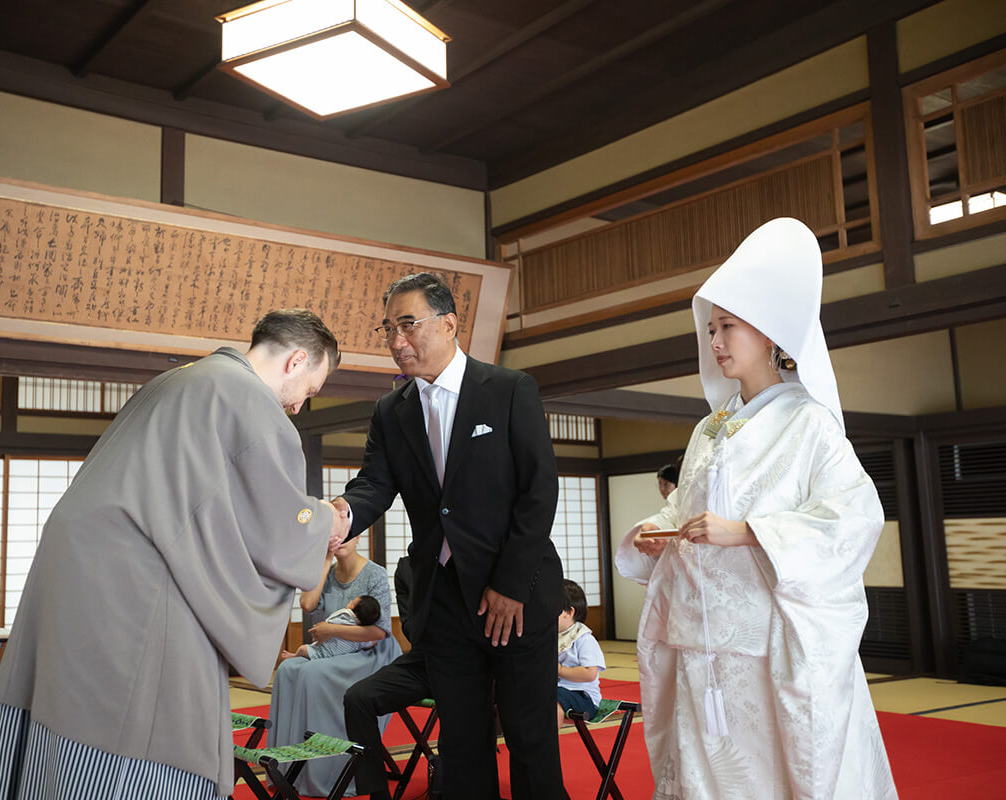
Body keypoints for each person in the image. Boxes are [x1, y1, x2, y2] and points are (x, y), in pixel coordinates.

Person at [0, 309, 349, 800]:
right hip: (137, 585)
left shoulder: (175, 381)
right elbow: (275, 526)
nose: (299, 407)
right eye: (310, 390)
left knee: (61, 712)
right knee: (141, 721)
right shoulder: (249, 401)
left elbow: (203, 506)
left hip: (79, 568)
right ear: (297, 360)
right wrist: (326, 520)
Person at [615, 218, 898, 799]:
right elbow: (685, 513)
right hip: (698, 635)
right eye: (711, 328)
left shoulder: (809, 422)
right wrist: (654, 530)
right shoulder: (709, 429)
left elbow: (855, 517)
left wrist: (749, 532)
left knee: (767, 771)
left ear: (769, 334)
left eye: (728, 327)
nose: (714, 341)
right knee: (702, 770)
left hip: (764, 641)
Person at [334, 272, 566, 800]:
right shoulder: (390, 412)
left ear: (449, 324)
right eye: (388, 328)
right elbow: (374, 484)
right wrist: (340, 515)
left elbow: (539, 492)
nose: (397, 341)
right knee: (461, 745)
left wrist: (508, 583)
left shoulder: (508, 390)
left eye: (408, 325)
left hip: (518, 595)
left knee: (531, 741)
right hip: (444, 601)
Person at [268, 531, 401, 796]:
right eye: (331, 536)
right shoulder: (326, 573)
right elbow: (307, 604)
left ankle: (329, 771)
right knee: (286, 670)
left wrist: (332, 631)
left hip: (370, 654)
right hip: (335, 650)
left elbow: (377, 633)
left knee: (312, 674)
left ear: (359, 536)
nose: (339, 540)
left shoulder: (373, 574)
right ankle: (289, 769)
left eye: (345, 535)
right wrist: (326, 559)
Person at [555, 579, 606, 728]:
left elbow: (590, 674)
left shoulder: (583, 638)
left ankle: (547, 745)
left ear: (569, 612)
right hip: (556, 689)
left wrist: (559, 670)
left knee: (553, 698)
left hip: (583, 697)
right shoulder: (552, 635)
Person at [280, 594, 381, 661]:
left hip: (324, 652)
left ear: (353, 608)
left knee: (302, 649)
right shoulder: (361, 636)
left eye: (353, 601)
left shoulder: (344, 616)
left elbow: (328, 625)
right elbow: (370, 642)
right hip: (343, 657)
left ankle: (294, 656)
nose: (350, 601)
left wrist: (324, 627)